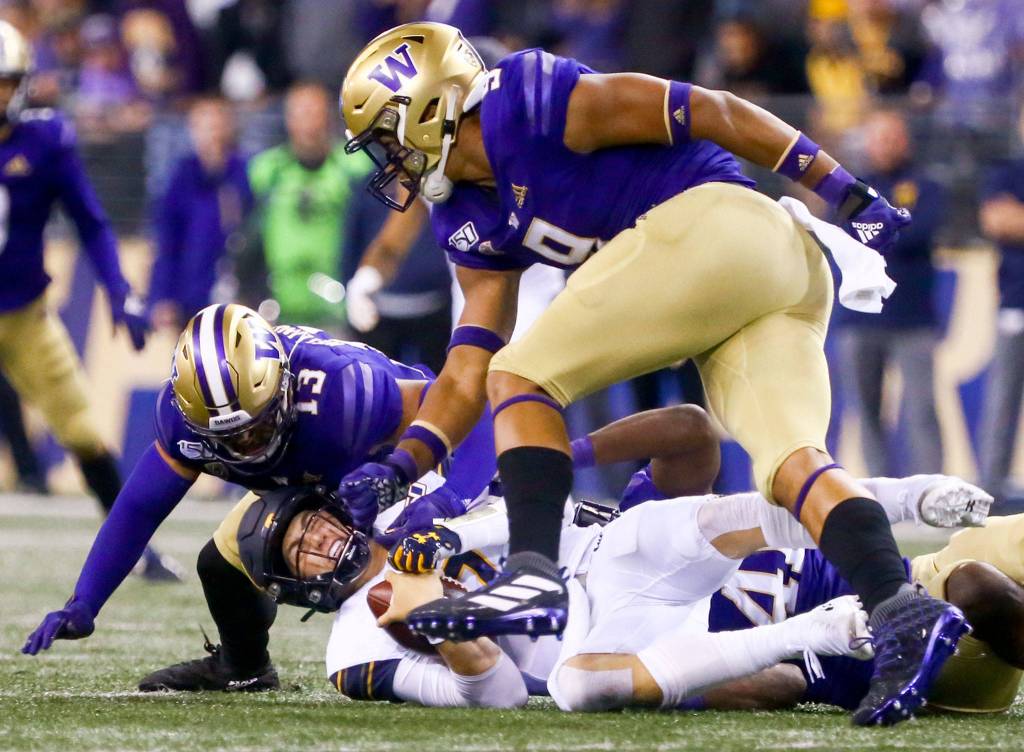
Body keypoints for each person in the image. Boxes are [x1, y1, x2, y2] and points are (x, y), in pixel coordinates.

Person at [335, 22, 949, 726]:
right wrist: (405, 461)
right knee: (789, 468)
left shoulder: (527, 105)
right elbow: (468, 360)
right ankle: (902, 612)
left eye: (388, 135)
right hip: (767, 278)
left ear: (428, 107)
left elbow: (711, 108)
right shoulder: (466, 211)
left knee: (525, 376)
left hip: (723, 226)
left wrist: (843, 188)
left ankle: (531, 574)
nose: (388, 160)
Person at [21, 304, 498, 686]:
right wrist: (85, 601)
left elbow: (472, 413)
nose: (246, 446)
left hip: (389, 461)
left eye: (256, 425)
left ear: (283, 388)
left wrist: (445, 503)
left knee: (409, 551)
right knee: (223, 561)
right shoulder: (182, 418)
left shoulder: (344, 393)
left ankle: (498, 638)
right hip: (313, 477)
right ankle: (243, 668)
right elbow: (139, 510)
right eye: (229, 439)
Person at [0, 20, 175, 578]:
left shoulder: (45, 139)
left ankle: (136, 553)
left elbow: (93, 223)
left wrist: (121, 292)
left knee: (80, 430)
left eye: (4, 81)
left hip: (24, 314)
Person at [834, 109, 945, 476]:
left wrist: (878, 231)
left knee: (921, 408)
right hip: (860, 316)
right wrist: (892, 226)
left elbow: (920, 231)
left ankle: (933, 489)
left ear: (906, 141)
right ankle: (882, 490)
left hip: (913, 317)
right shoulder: (853, 188)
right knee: (865, 410)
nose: (886, 145)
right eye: (879, 137)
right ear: (867, 143)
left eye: (893, 137)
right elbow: (848, 234)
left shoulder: (926, 185)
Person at [247, 81, 370, 332]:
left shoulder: (355, 168)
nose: (310, 124)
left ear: (329, 119)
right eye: (302, 114)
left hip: (338, 310)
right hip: (280, 310)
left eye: (316, 113)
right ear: (288, 120)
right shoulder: (266, 171)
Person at [148, 96, 252, 331]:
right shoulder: (180, 178)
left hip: (239, 299)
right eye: (204, 127)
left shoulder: (245, 174)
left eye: (216, 126)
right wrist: (162, 297)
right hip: (191, 297)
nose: (211, 135)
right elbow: (167, 244)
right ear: (192, 131)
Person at [977, 107, 1024, 508]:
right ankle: (992, 488)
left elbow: (1012, 220)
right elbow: (997, 221)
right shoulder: (1008, 170)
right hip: (1017, 303)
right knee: (1004, 398)